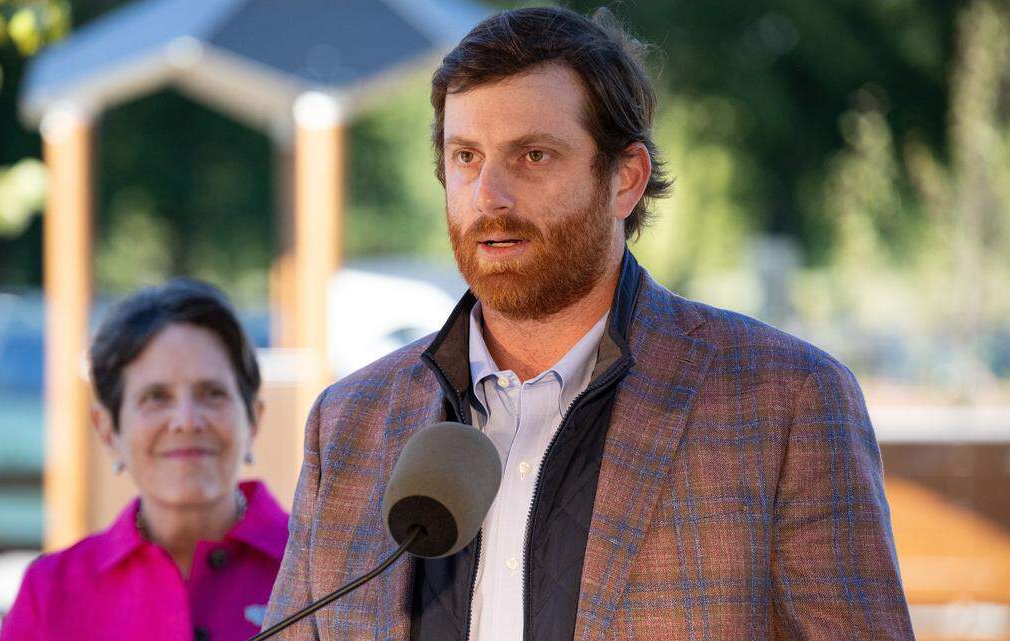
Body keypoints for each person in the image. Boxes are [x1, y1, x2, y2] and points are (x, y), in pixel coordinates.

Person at [264, 6, 914, 641]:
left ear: (625, 180)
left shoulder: (786, 402)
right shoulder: (347, 423)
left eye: (533, 155)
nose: (488, 195)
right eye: (466, 157)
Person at [0, 278, 288, 641]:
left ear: (254, 419)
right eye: (156, 397)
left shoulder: (324, 571)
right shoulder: (50, 593)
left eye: (212, 393)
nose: (186, 421)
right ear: (108, 431)